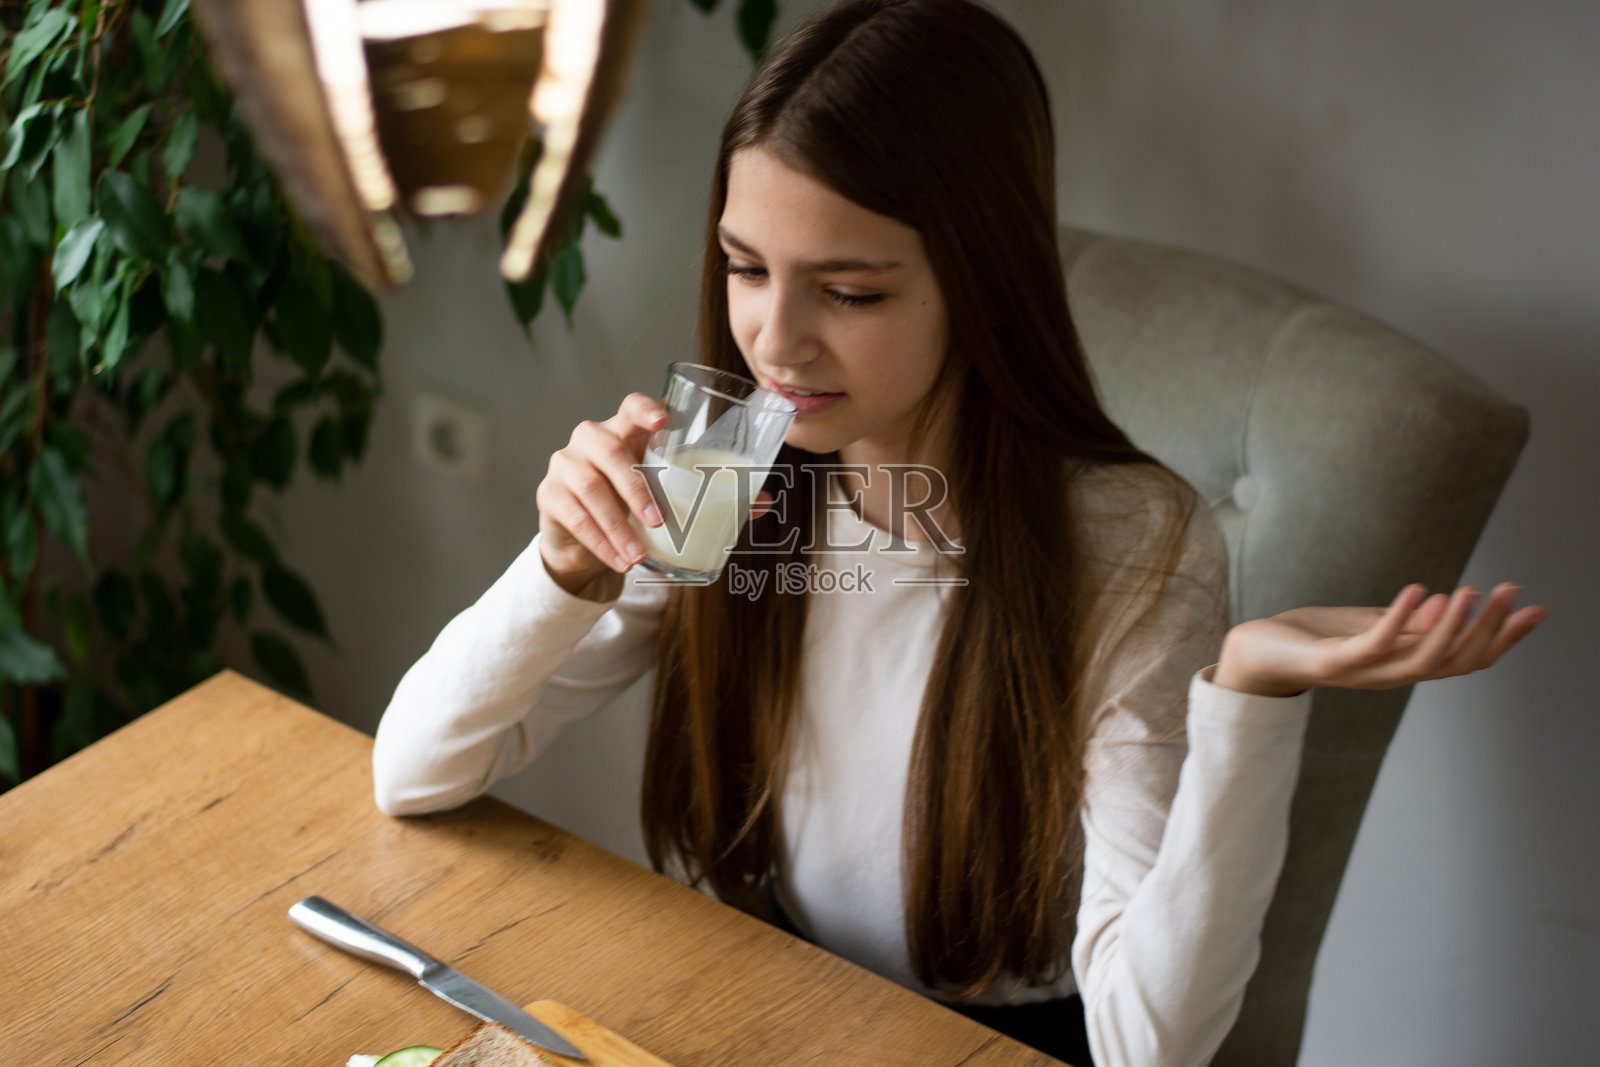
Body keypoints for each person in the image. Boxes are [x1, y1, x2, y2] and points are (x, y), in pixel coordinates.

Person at [372, 1, 1546, 1064]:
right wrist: (561, 569)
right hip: (760, 997)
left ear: (979, 282)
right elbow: (416, 770)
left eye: (850, 291)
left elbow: (1152, 1046)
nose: (774, 343)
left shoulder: (1130, 542)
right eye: (744, 267)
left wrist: (1244, 694)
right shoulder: (728, 467)